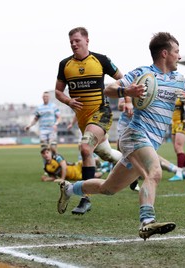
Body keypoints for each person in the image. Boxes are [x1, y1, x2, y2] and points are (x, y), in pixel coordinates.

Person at [57, 32, 185, 240]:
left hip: (152, 141)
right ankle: (147, 221)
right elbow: (109, 89)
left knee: (108, 188)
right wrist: (128, 92)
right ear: (164, 53)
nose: (179, 56)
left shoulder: (179, 80)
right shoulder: (143, 73)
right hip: (134, 134)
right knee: (154, 172)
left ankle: (69, 189)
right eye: (176, 51)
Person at [55, 27, 123, 215]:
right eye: (71, 42)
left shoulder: (100, 60)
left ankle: (86, 199)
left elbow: (121, 79)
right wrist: (68, 100)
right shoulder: (65, 65)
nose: (74, 44)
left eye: (77, 40)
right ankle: (131, 167)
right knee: (106, 154)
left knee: (85, 149)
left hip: (102, 113)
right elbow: (58, 91)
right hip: (84, 121)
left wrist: (126, 99)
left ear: (87, 41)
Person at [117, 97, 182, 186]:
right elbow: (120, 106)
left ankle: (173, 169)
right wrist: (128, 104)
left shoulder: (150, 87)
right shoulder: (127, 87)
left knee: (143, 153)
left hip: (140, 125)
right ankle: (137, 176)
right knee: (124, 151)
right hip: (125, 124)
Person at [40, 148, 106, 182]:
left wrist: (62, 178)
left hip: (76, 166)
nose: (46, 155)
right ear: (42, 155)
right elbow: (54, 177)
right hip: (75, 176)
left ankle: (99, 164)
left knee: (90, 160)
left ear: (50, 153)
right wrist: (47, 179)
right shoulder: (46, 167)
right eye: (44, 154)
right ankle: (104, 170)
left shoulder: (57, 157)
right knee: (95, 176)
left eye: (47, 152)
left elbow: (64, 166)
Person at [168, 97, 185, 181]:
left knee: (179, 147)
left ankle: (179, 174)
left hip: (182, 123)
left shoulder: (181, 96)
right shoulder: (170, 97)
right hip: (174, 124)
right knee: (176, 148)